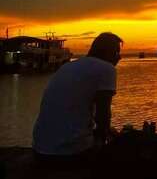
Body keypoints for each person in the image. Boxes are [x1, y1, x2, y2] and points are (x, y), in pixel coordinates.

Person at [32, 32, 123, 165]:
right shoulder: (107, 69)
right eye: (117, 53)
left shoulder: (68, 66)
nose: (119, 57)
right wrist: (107, 137)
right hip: (70, 154)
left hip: (40, 151)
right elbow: (103, 115)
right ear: (108, 52)